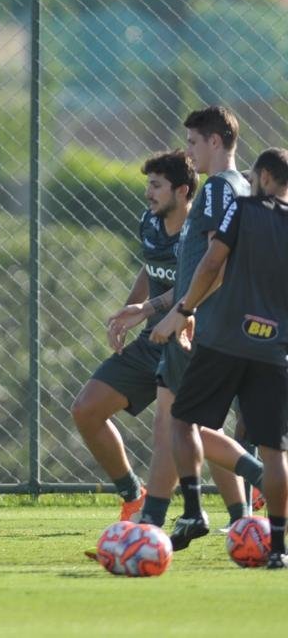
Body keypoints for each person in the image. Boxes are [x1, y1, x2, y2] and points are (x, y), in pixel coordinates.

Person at [112, 107, 263, 541]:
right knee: (179, 423)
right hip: (208, 320)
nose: (190, 153)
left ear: (215, 142)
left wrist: (184, 312)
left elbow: (217, 261)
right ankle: (177, 515)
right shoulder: (240, 186)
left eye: (194, 143)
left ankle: (161, 519)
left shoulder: (217, 189)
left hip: (200, 324)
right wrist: (153, 307)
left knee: (175, 424)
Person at [150, 148, 288, 568]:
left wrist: (185, 310)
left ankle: (192, 508)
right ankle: (279, 549)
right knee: (274, 451)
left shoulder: (242, 209)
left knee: (183, 418)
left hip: (226, 337)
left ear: (264, 177)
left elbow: (213, 261)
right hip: (275, 348)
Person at [71, 151, 194, 524]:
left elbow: (195, 288)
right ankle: (134, 499)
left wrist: (145, 309)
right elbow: (149, 264)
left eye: (156, 185)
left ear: (182, 191)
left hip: (192, 342)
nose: (148, 193)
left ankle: (247, 501)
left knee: (188, 435)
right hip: (152, 340)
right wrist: (129, 311)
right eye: (148, 184)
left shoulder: (199, 234)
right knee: (86, 410)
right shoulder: (151, 222)